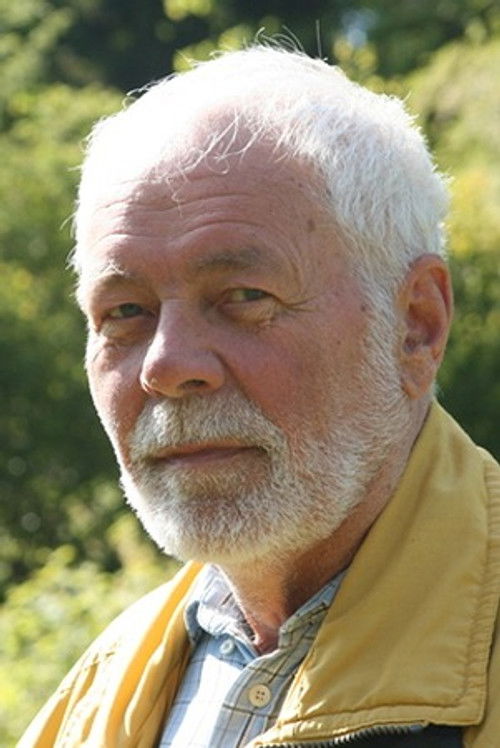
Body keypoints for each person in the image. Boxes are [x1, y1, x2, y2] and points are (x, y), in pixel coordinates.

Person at [19, 45, 500, 748]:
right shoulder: (93, 703)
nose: (167, 366)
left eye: (244, 297)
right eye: (125, 312)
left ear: (416, 326)